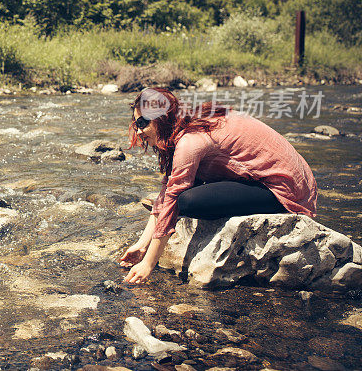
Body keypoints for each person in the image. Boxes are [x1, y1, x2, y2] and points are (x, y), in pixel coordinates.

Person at [119, 87, 317, 284]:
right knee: (183, 192)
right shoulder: (190, 122)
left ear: (161, 118)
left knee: (187, 202)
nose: (138, 130)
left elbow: (172, 199)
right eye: (136, 124)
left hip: (285, 190)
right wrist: (142, 245)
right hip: (277, 180)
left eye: (143, 123)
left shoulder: (190, 141)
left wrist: (148, 264)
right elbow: (168, 187)